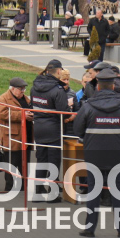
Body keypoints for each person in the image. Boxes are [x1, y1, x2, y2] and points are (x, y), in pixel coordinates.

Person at [73, 67, 120, 237]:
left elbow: (77, 129)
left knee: (93, 191)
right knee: (118, 190)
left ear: (98, 86)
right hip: (117, 154)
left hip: (94, 154)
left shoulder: (88, 106)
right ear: (113, 86)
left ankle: (90, 229)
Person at [29, 61, 70, 201]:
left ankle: (38, 191)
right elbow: (64, 112)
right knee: (53, 161)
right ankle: (53, 194)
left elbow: (33, 106)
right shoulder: (58, 90)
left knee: (41, 159)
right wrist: (69, 108)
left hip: (38, 128)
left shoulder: (34, 87)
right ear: (58, 71)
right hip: (53, 130)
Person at [0, 77, 33, 181]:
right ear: (12, 88)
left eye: (24, 89)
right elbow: (2, 114)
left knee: (24, 166)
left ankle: (23, 187)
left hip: (26, 137)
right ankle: (9, 187)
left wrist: (31, 115)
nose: (23, 91)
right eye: (21, 89)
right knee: (11, 166)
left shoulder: (25, 98)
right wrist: (22, 115)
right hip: (12, 139)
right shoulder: (3, 99)